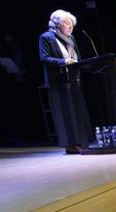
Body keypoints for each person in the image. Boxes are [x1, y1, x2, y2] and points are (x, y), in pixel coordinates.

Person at [39, 9, 91, 154]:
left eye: (72, 25)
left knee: (76, 111)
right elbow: (44, 58)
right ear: (57, 24)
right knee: (66, 114)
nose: (70, 27)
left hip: (74, 81)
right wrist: (63, 61)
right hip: (58, 82)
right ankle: (70, 144)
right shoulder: (47, 37)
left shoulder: (72, 38)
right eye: (67, 24)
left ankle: (82, 140)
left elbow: (78, 57)